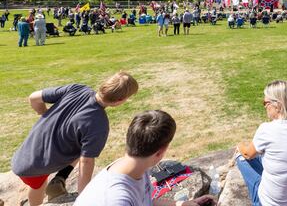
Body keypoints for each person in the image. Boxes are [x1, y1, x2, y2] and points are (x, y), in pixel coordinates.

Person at [11, 72, 139, 206]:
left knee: (82, 147)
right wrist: (84, 196)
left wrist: (43, 113)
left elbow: (33, 97)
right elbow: (86, 162)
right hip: (33, 165)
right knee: (38, 186)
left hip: (30, 147)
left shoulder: (77, 89)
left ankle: (59, 180)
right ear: (119, 101)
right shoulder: (99, 125)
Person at [74, 110, 215, 206]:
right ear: (160, 153)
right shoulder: (115, 199)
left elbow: (147, 201)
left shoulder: (135, 166)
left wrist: (182, 204)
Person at [236, 80, 287, 206]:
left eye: (266, 103)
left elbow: (247, 154)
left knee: (240, 158)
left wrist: (239, 145)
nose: (264, 106)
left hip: (273, 203)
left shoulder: (266, 130)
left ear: (277, 105)